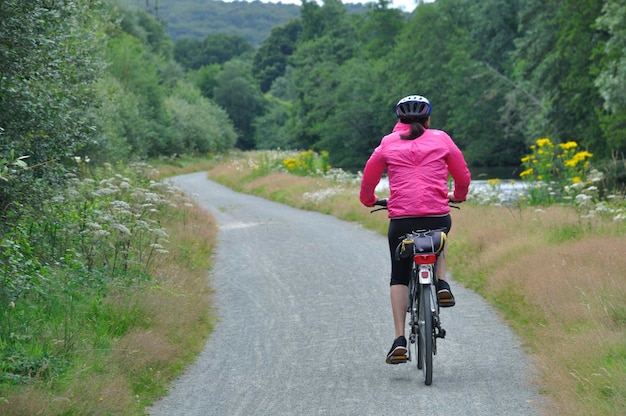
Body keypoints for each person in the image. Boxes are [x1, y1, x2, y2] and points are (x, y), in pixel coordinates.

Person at [359, 94, 471, 364]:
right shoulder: (442, 139)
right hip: (437, 215)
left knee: (398, 275)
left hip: (402, 219)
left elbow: (369, 177)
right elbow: (462, 175)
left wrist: (370, 201)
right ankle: (441, 282)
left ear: (399, 120)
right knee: (438, 238)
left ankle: (399, 339)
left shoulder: (387, 143)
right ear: (428, 119)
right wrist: (458, 195)